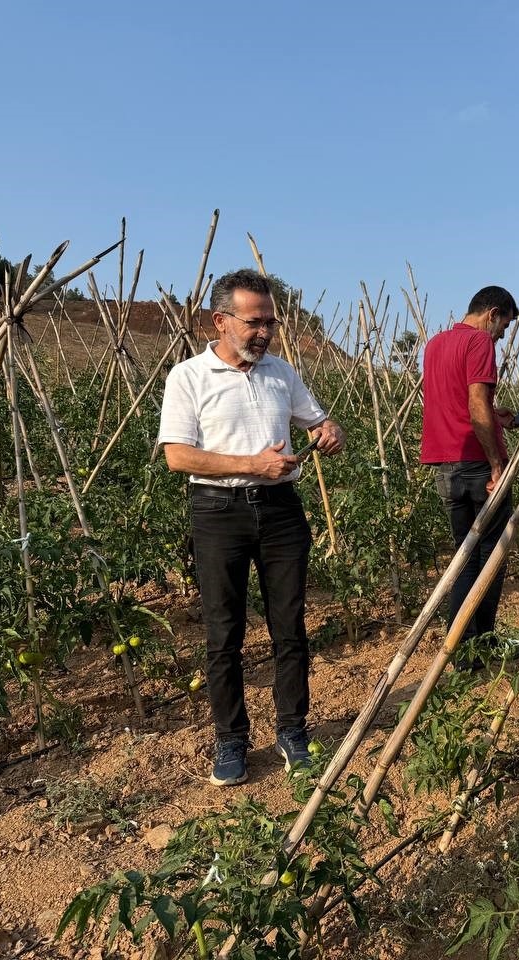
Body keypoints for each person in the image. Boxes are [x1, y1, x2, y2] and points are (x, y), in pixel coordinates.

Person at [158, 269, 345, 786]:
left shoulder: (281, 373)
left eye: (271, 323)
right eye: (254, 322)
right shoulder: (188, 377)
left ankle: (292, 731)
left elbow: (319, 421)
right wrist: (252, 464)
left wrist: (329, 431)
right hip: (219, 511)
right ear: (220, 321)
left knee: (290, 627)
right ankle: (232, 740)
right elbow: (178, 456)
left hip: (281, 509)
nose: (264, 332)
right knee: (224, 633)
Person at [420, 286, 518, 662]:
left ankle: (463, 647)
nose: (501, 335)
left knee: (465, 555)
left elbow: (458, 402)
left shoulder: (435, 344)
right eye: (503, 326)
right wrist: (496, 463)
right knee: (491, 555)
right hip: (478, 465)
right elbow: (476, 403)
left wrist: (496, 414)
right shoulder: (479, 342)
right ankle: (478, 645)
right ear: (492, 314)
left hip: (446, 466)